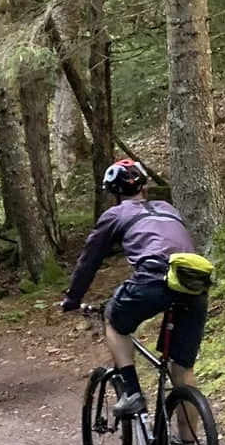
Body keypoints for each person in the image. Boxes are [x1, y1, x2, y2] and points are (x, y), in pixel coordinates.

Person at [59, 159, 208, 417]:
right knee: (182, 369)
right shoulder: (168, 208)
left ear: (115, 192)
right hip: (194, 283)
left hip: (153, 278)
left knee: (114, 321)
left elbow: (88, 261)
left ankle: (132, 392)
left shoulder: (115, 214)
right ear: (144, 185)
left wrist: (73, 299)